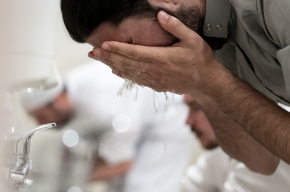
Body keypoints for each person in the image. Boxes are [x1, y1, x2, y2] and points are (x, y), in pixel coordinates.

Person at [60, 0, 290, 174]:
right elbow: (261, 160)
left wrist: (209, 78)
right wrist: (200, 85)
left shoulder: (276, 8)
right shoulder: (206, 39)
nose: (138, 64)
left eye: (130, 46)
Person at [181, 94, 290, 192]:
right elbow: (189, 186)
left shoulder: (266, 146)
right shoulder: (221, 150)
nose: (188, 121)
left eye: (196, 108)